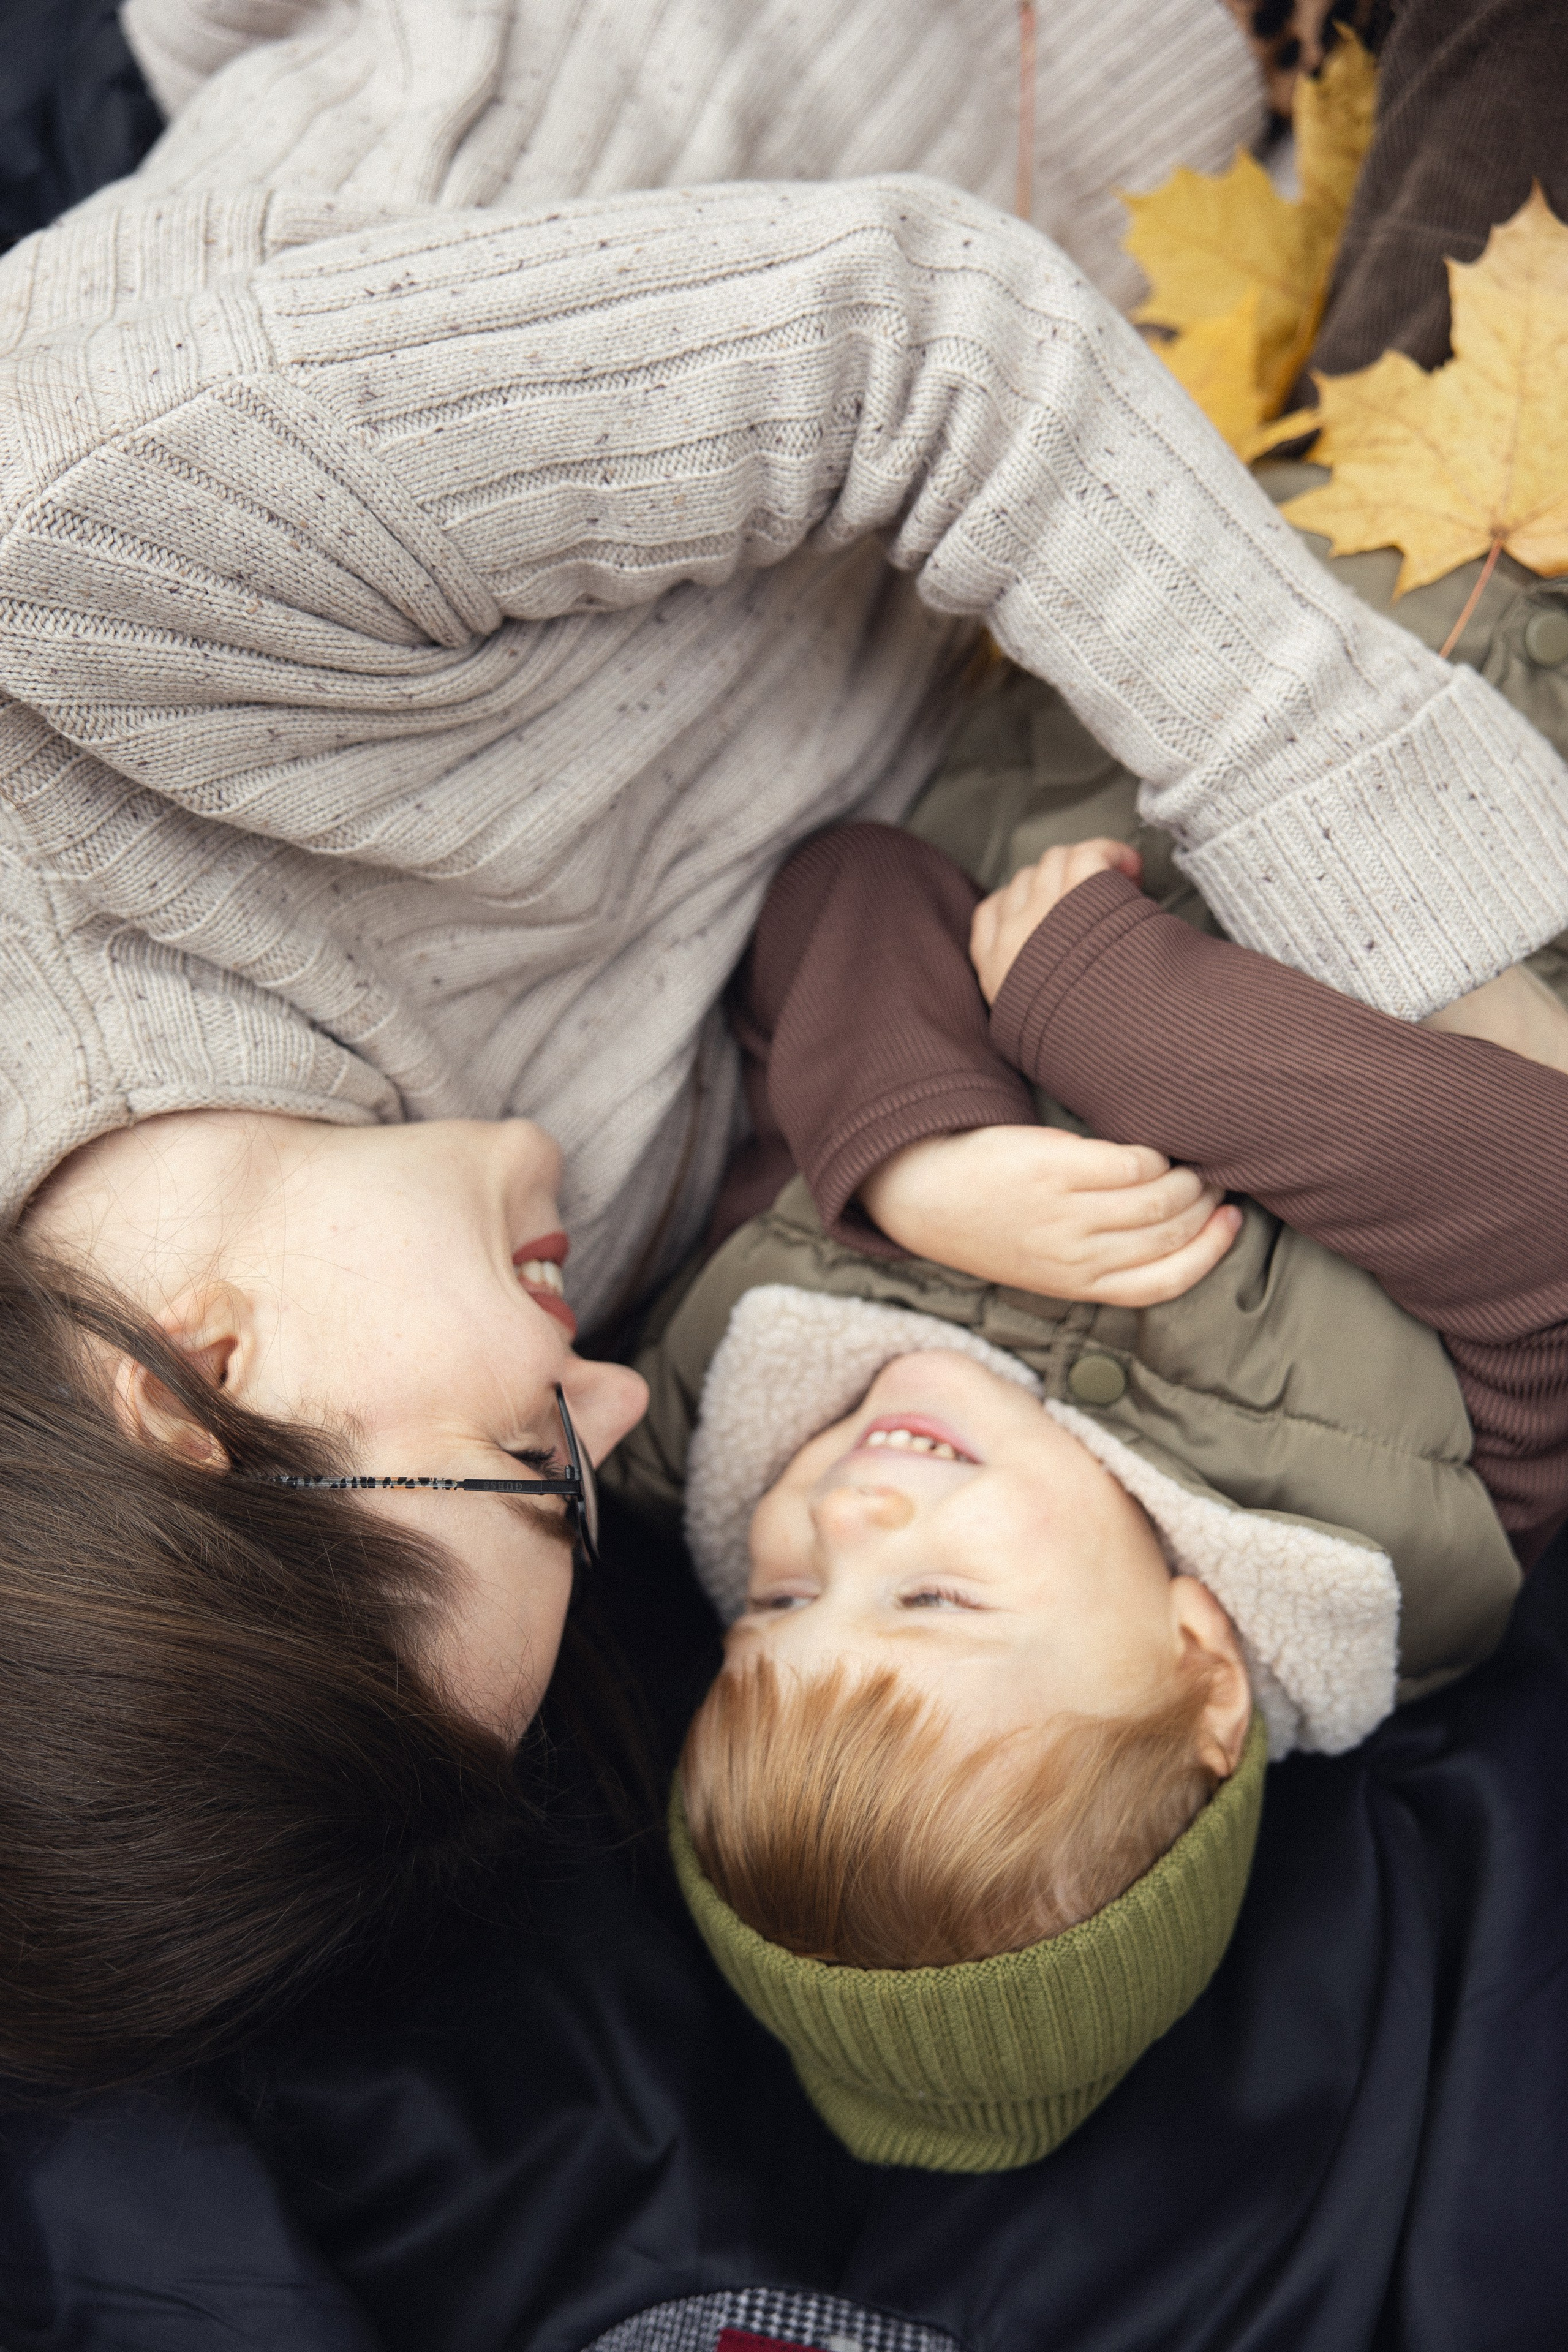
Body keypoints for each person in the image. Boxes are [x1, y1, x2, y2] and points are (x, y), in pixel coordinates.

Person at [5, 0, 1568, 2096]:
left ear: (184, 1393)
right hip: (1199, 433)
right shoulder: (501, 1236)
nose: (624, 1397)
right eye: (600, 1491)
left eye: (528, 1471)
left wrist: (1456, 980)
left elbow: (922, 341)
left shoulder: (88, 551)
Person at [604, 813, 1568, 2169]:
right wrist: (1105, 1010)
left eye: (778, 1597)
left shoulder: (741, 1359)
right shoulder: (1402, 1536)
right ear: (1198, 1668)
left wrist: (910, 1163)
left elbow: (849, 873)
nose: (838, 1518)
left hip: (1098, 743)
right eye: (928, 1598)